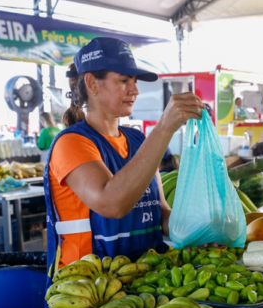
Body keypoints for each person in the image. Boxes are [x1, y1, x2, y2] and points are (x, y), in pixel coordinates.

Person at [45, 37, 203, 288]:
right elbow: (111, 204)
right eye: (123, 80)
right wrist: (163, 129)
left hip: (147, 281)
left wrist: (201, 231)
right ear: (92, 83)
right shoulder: (72, 144)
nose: (135, 90)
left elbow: (159, 212)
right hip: (88, 293)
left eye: (135, 81)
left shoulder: (138, 139)